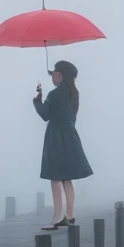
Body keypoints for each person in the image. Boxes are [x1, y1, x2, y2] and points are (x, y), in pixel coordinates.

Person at [33, 58, 93, 229]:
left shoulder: (55, 94)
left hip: (56, 138)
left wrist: (38, 99)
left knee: (55, 177)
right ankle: (69, 215)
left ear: (60, 76)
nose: (52, 77)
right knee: (67, 178)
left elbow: (45, 114)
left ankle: (56, 218)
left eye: (54, 74)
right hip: (71, 137)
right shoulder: (74, 94)